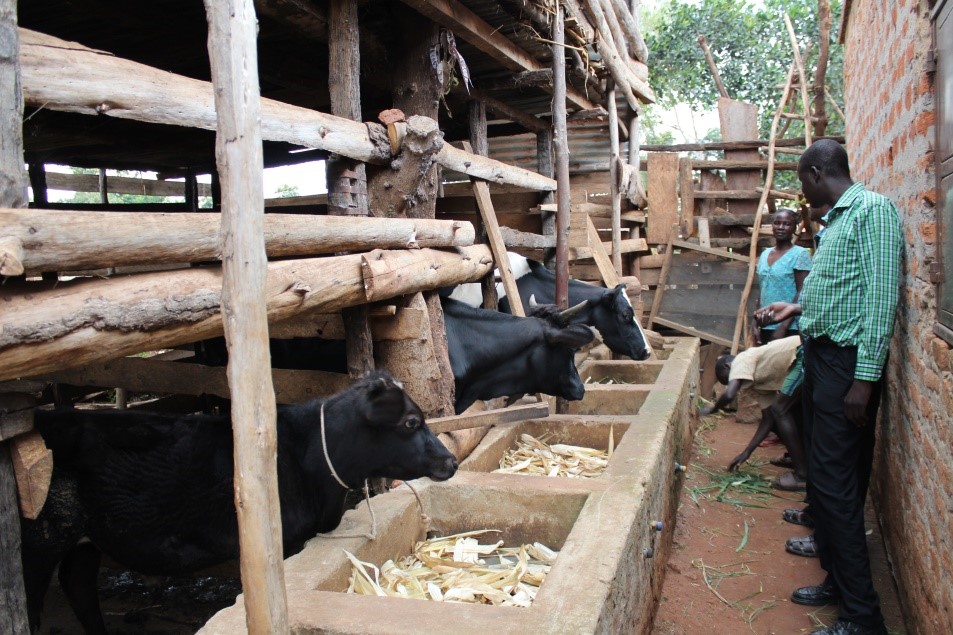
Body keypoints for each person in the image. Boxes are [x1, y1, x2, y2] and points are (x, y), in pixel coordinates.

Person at [756, 139, 902, 635]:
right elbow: (841, 289)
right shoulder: (837, 220)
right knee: (825, 481)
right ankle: (837, 584)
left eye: (802, 180)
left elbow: (880, 299)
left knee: (837, 490)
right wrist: (796, 310)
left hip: (846, 368)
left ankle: (864, 619)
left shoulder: (871, 212)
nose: (803, 190)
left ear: (816, 172)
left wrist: (864, 378)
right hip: (821, 359)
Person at [697, 335, 807, 491]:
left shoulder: (742, 359)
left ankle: (802, 475)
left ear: (729, 367)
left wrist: (713, 409)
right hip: (798, 363)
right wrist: (746, 452)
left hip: (802, 353)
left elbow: (729, 395)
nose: (733, 384)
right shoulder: (759, 381)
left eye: (729, 380)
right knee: (782, 413)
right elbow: (768, 420)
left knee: (780, 409)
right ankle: (797, 458)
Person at [754, 207, 812, 344]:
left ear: (794, 228)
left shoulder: (800, 254)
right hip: (766, 324)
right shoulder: (765, 254)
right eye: (777, 223)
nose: (781, 227)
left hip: (790, 328)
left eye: (787, 224)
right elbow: (761, 291)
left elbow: (802, 293)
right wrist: (755, 323)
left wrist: (783, 327)